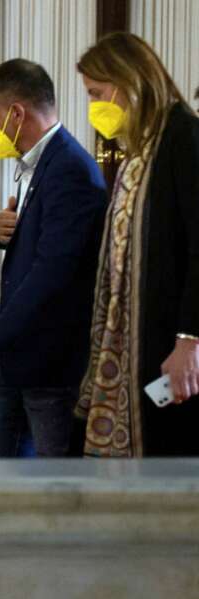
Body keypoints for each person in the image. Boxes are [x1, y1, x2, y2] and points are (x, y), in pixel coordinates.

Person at [0, 58, 108, 458]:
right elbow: (36, 243)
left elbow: (53, 270)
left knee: (49, 492)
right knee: (2, 481)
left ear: (17, 113)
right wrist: (3, 230)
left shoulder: (71, 169)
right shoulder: (37, 163)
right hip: (20, 359)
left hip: (50, 364)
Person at [75, 33, 199, 456]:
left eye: (98, 92)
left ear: (130, 79)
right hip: (133, 337)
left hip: (169, 339)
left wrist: (189, 340)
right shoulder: (140, 147)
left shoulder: (183, 136)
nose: (94, 106)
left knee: (167, 461)